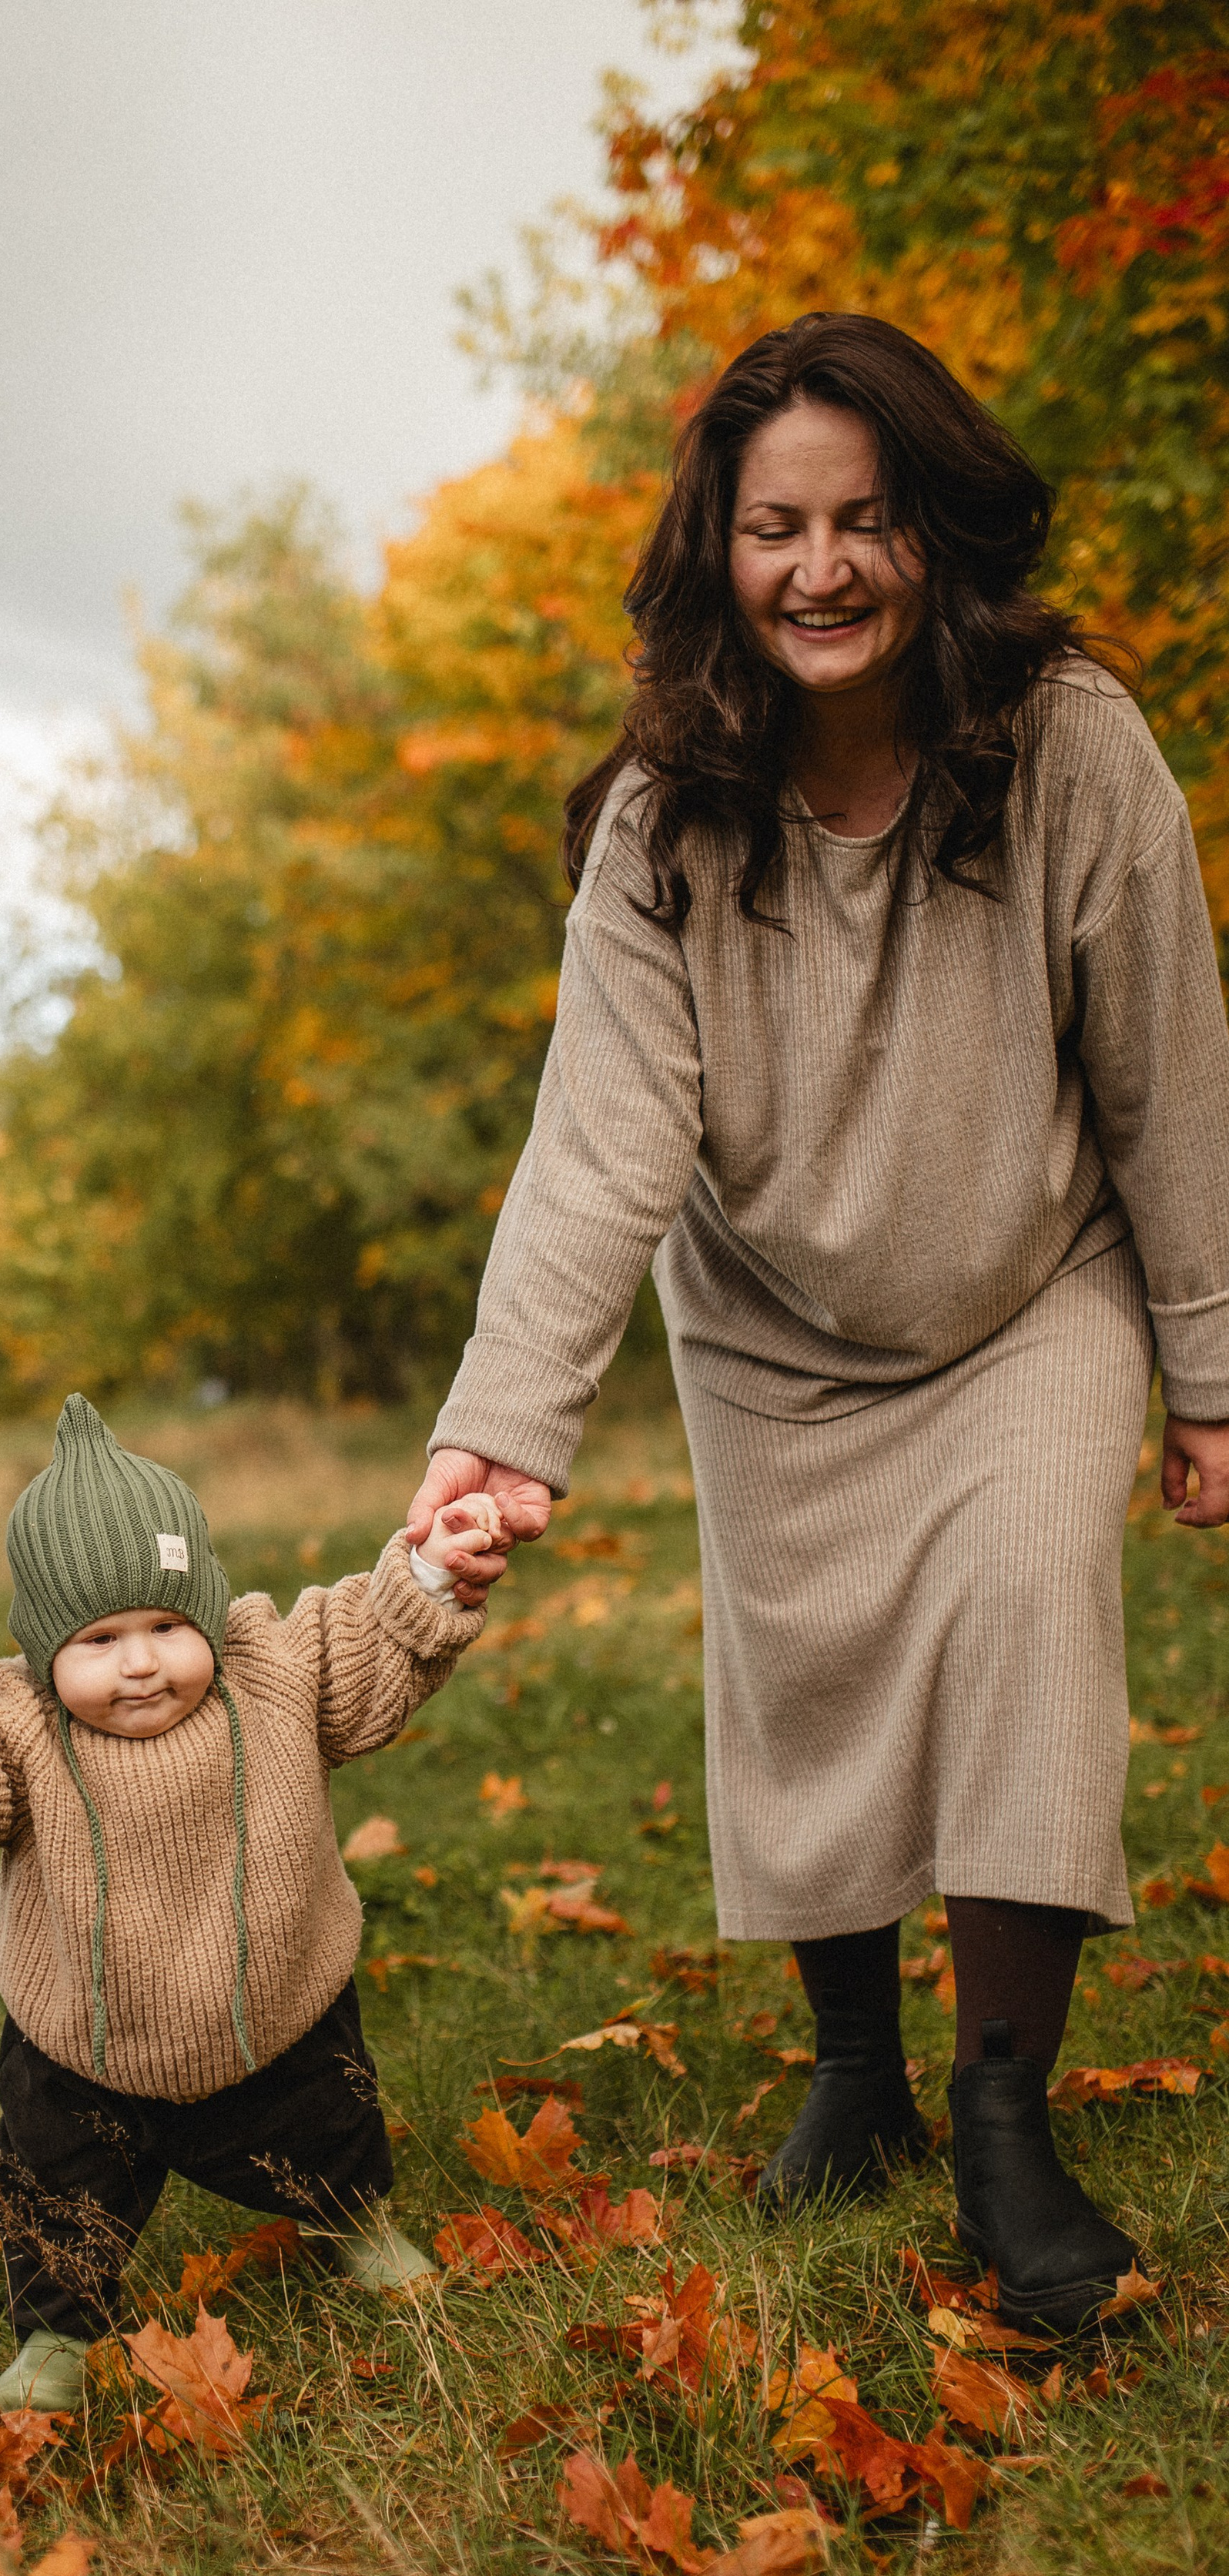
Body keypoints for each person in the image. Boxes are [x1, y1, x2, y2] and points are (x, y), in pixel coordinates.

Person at [407, 311, 1229, 2337]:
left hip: (1029, 1286)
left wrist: (1211, 1370)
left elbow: (1167, 1076)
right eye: (779, 526)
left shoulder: (1067, 747)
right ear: (724, 545)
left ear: (932, 532)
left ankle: (1001, 2115)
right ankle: (853, 2067)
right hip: (771, 1323)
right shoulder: (664, 824)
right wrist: (503, 1426)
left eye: (866, 521)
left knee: (1027, 1619)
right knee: (815, 1669)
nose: (823, 569)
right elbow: (599, 1147)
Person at [0, 1395, 499, 2412]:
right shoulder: (18, 1728)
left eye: (168, 1626)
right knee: (56, 2186)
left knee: (329, 2124)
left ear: (210, 1615)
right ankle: (59, 2326)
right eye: (99, 1639)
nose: (140, 1662)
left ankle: (348, 2222)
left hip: (277, 2008)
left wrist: (433, 1570)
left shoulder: (273, 1670)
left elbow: (369, 1644)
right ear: (46, 1649)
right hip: (82, 2038)